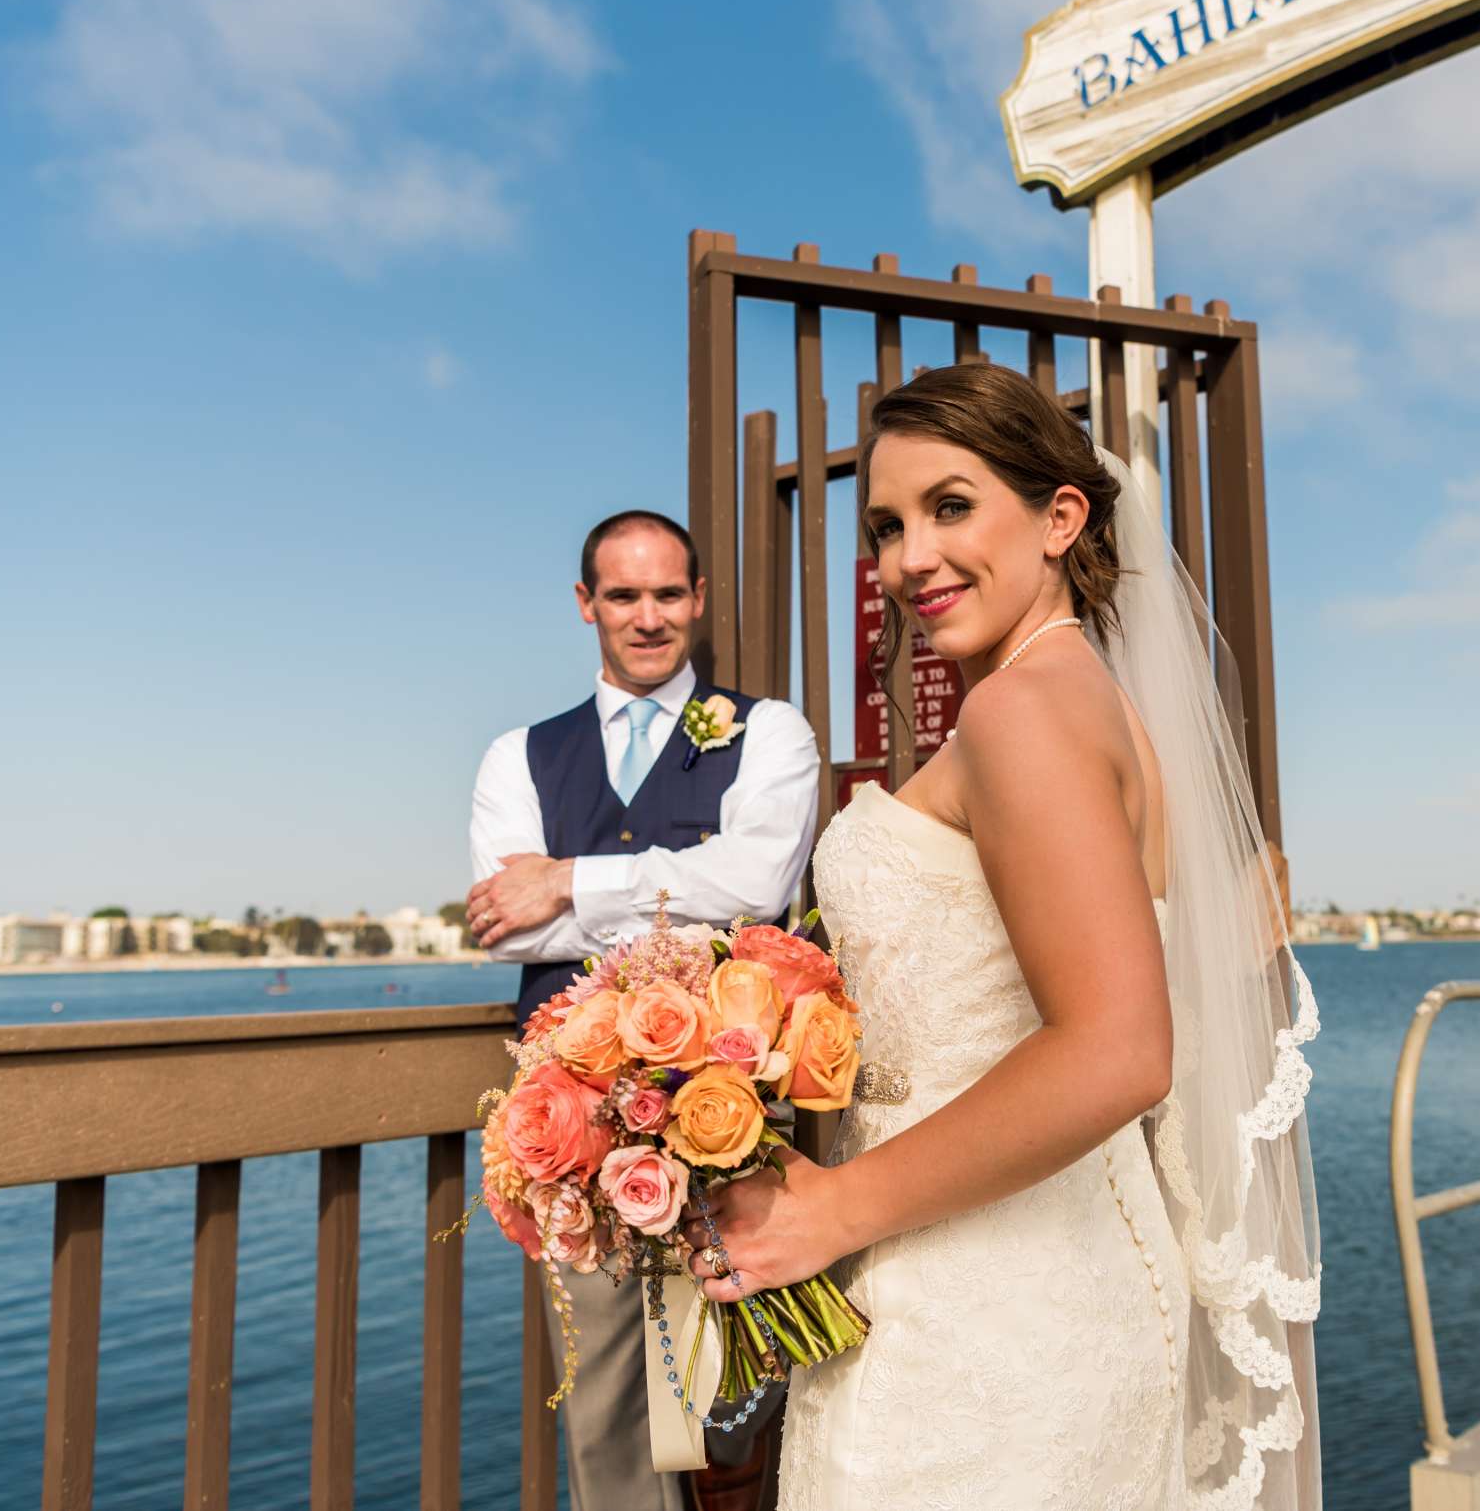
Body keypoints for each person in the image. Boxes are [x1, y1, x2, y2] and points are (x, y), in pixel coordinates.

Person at [681, 364, 1324, 1508]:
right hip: (1057, 1273)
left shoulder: (1022, 711)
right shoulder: (1087, 700)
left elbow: (1120, 1048)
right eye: (886, 526)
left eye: (951, 506)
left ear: (1059, 517)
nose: (909, 558)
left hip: (985, 1309)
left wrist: (831, 1210)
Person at [467, 508, 819, 1511]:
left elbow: (755, 886)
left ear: (698, 601)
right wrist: (675, 890)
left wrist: (569, 882)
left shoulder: (770, 731)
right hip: (571, 1125)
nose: (649, 616)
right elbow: (511, 926)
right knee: (613, 1409)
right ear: (587, 606)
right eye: (624, 595)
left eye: (669, 593)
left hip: (742, 1103)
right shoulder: (516, 757)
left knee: (761, 1382)